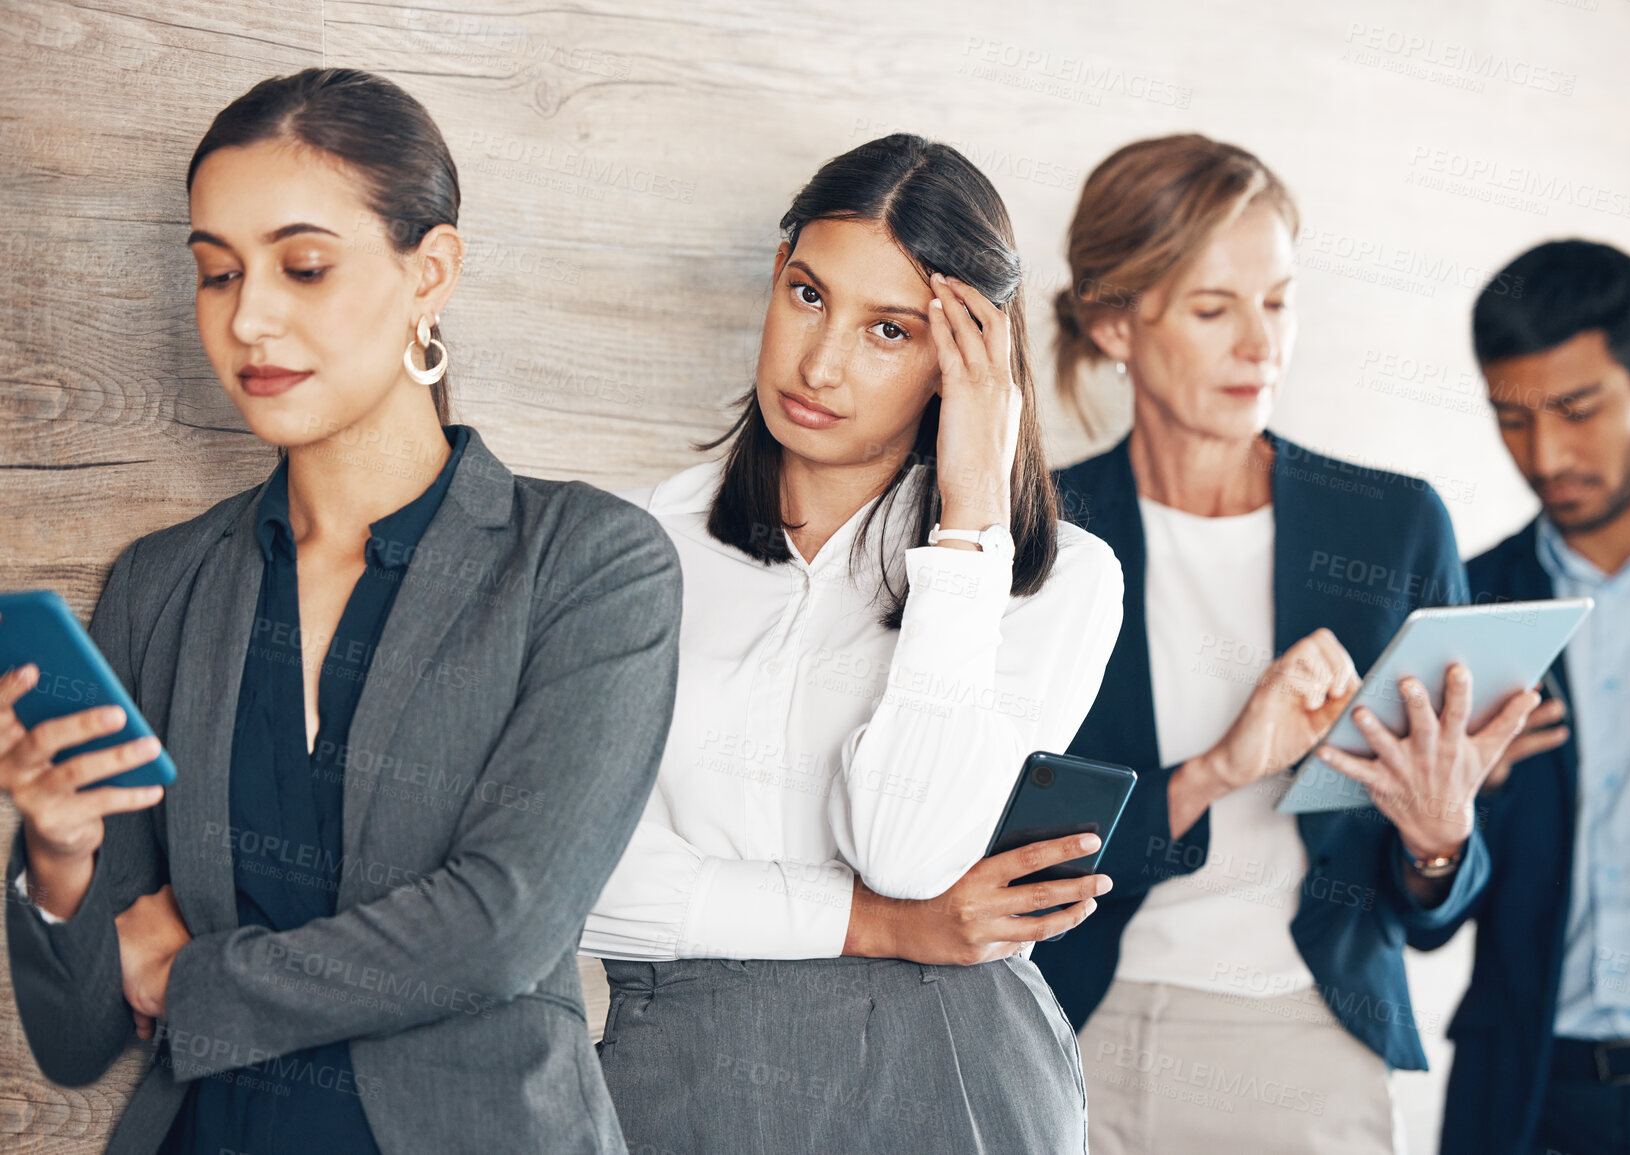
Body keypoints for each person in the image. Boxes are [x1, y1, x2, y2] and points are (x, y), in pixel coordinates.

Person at [1, 68, 679, 1155]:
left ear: (432, 272)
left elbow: (498, 930)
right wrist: (63, 857)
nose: (249, 317)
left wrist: (198, 974)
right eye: (216, 274)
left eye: (303, 266)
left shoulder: (588, 565)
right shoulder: (161, 583)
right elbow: (79, 1039)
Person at [580, 133, 1124, 1154]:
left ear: (966, 366)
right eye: (807, 294)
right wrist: (874, 926)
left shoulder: (1057, 579)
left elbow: (910, 854)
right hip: (680, 1080)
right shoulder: (631, 548)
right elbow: (574, 890)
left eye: (889, 330)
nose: (820, 362)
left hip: (956, 1081)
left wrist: (968, 519)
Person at [1029, 134, 1540, 1154]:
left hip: (1316, 1037)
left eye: (1278, 302)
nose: (1261, 347)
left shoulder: (1392, 527)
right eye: (1215, 310)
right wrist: (1220, 768)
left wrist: (1440, 838)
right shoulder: (1043, 535)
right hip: (1076, 1031)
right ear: (1114, 323)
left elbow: (1433, 908)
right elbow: (1011, 855)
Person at [1416, 239, 1630, 1155]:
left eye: (1575, 410)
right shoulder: (1467, 605)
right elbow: (1417, 912)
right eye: (1510, 418)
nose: (1543, 452)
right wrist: (1453, 809)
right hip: (1526, 1100)